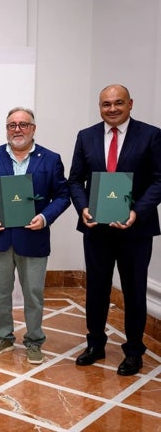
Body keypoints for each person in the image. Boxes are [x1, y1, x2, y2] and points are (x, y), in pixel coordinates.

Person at [69, 84, 161, 376]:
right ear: (100, 107)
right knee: (96, 288)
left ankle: (134, 351)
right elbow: (75, 180)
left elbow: (159, 180)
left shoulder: (151, 135)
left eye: (118, 103)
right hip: (96, 229)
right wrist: (83, 208)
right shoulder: (86, 136)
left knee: (134, 291)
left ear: (130, 104)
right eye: (106, 104)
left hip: (135, 229)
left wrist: (137, 212)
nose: (112, 109)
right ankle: (95, 344)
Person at [0, 107, 70, 365]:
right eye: (12, 125)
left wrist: (45, 217)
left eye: (23, 124)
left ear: (33, 129)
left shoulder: (50, 159)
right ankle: (3, 337)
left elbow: (62, 195)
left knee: (34, 293)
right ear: (6, 129)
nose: (18, 129)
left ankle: (35, 341)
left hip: (34, 236)